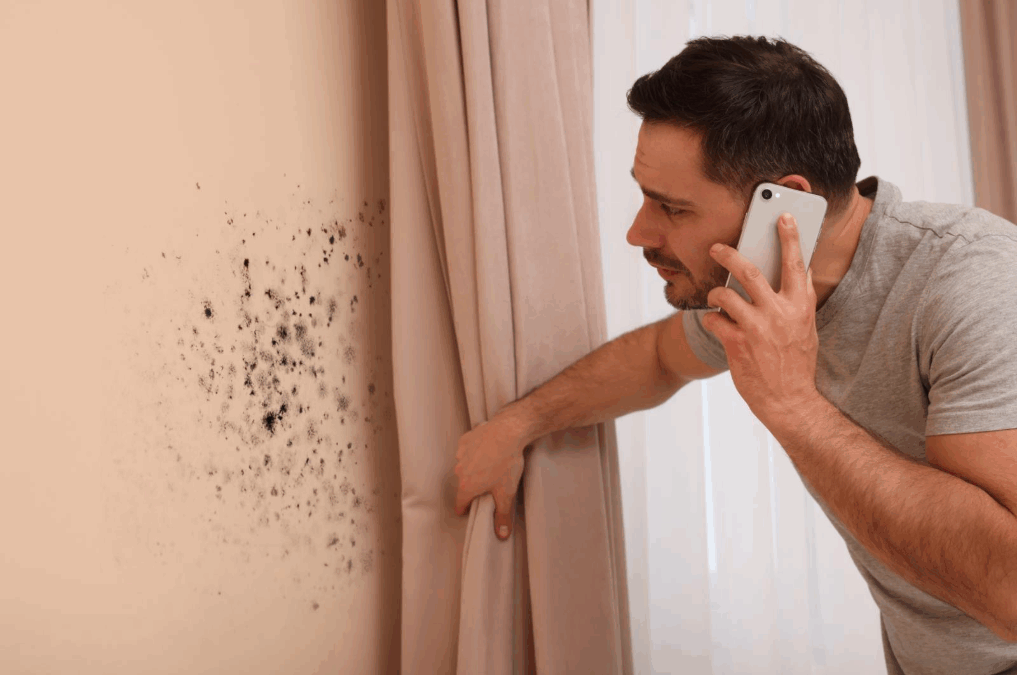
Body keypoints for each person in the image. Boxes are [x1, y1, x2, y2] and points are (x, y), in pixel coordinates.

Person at [452, 35, 1017, 674]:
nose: (638, 232)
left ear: (787, 205)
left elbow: (1009, 594)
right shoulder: (763, 288)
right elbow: (659, 358)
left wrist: (794, 405)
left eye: (672, 208)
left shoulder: (975, 281)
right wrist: (517, 425)